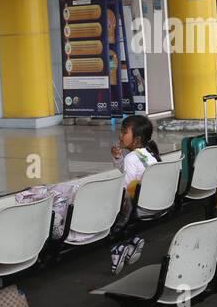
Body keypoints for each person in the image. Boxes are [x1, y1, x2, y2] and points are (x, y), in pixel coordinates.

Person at [15, 114, 160, 274]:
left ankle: (117, 249)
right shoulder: (148, 154)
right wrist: (118, 158)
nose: (120, 135)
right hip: (151, 204)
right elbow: (128, 176)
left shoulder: (132, 158)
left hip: (130, 209)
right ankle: (131, 240)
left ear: (136, 139)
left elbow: (122, 188)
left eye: (124, 132)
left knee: (101, 211)